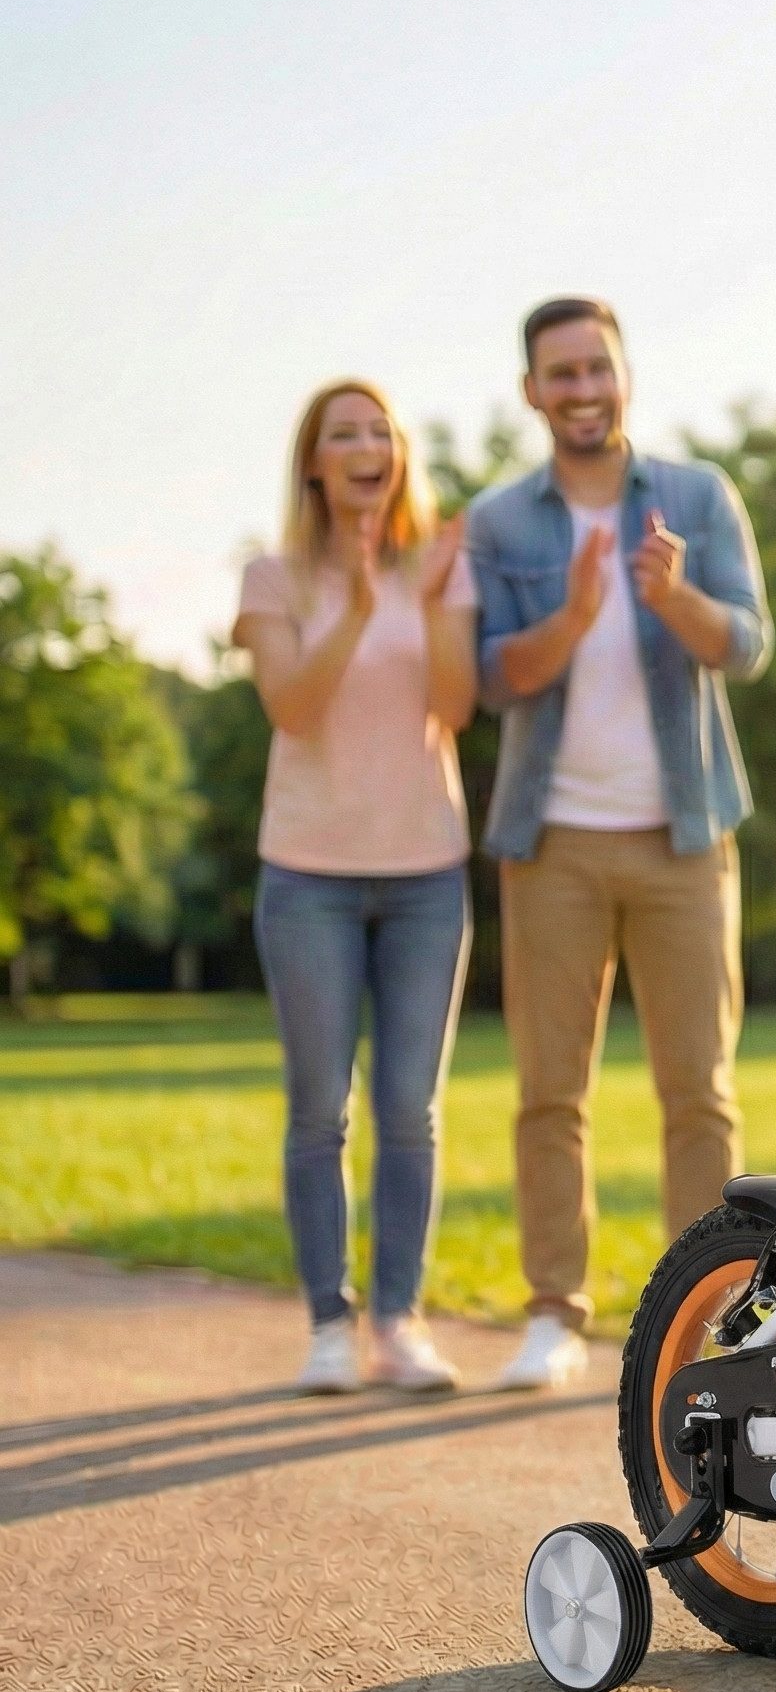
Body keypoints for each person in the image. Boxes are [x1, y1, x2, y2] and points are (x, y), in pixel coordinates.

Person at [470, 298, 772, 1390]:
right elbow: (492, 676)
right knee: (551, 1090)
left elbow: (744, 642)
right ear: (532, 391)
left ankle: (700, 1322)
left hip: (682, 837)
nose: (581, 387)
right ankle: (555, 1309)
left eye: (596, 366)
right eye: (559, 373)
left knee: (699, 1087)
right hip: (550, 842)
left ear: (624, 374)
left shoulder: (695, 495)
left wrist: (668, 596)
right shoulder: (500, 521)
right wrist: (578, 609)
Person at [235, 379, 476, 1396]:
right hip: (308, 876)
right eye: (344, 434)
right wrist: (362, 609)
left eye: (379, 430)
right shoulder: (272, 573)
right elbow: (291, 706)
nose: (364, 446)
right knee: (318, 1112)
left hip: (427, 873)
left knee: (409, 1111)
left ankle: (400, 1319)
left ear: (397, 454)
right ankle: (330, 1322)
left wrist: (425, 602)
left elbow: (458, 706)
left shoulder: (438, 566)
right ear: (314, 462)